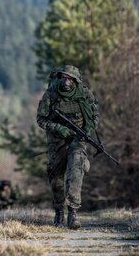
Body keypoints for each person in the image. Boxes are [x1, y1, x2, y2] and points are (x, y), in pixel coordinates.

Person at [36, 65, 99, 229]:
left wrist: (87, 130)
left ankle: (73, 213)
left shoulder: (85, 94)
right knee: (55, 177)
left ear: (76, 80)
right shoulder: (51, 93)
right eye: (63, 77)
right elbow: (41, 119)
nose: (66, 80)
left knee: (76, 171)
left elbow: (94, 116)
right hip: (57, 141)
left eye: (70, 78)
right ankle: (59, 211)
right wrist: (58, 128)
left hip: (78, 140)